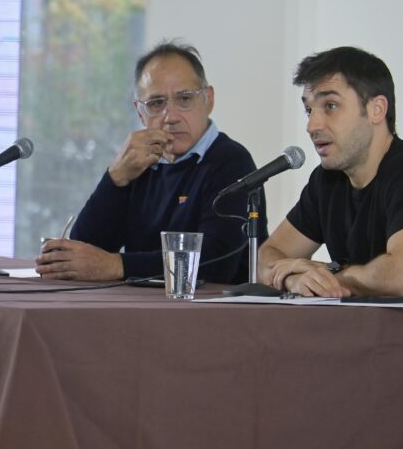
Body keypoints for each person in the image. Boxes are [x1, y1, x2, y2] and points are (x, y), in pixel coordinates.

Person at [259, 45, 403, 301]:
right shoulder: (327, 180)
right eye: (309, 110)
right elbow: (267, 257)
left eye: (330, 106)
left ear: (377, 109)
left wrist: (329, 277)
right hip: (369, 324)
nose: (312, 125)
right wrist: (294, 279)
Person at [35, 40, 266, 283]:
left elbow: (217, 263)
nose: (171, 117)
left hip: (217, 306)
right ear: (140, 113)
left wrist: (118, 265)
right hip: (139, 304)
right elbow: (83, 254)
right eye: (156, 104)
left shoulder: (231, 162)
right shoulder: (138, 163)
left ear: (208, 100)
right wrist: (115, 178)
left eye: (184, 99)